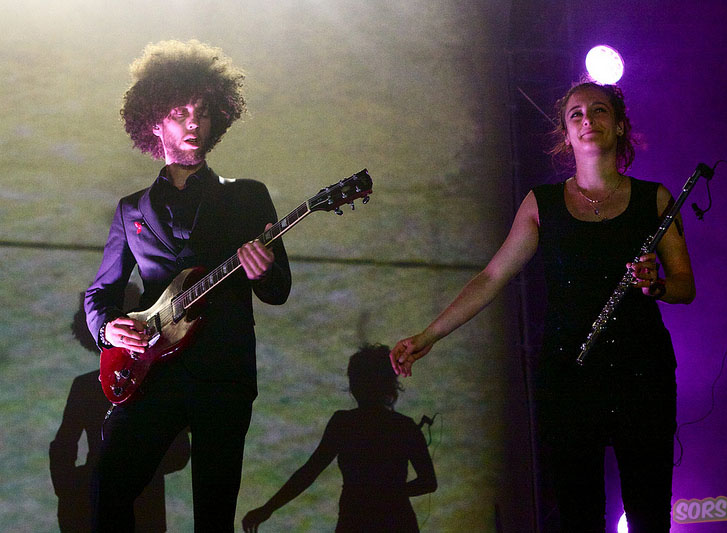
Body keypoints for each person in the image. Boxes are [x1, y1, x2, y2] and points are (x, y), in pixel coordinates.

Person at [390, 81, 695, 532]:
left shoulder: (657, 198)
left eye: (599, 110)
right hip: (569, 377)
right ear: (566, 135)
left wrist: (657, 287)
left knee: (649, 515)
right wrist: (429, 335)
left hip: (642, 374)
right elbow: (492, 277)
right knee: (579, 517)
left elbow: (685, 286)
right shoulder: (542, 203)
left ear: (619, 125)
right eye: (576, 115)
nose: (588, 119)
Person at [84, 40, 291, 532]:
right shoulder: (130, 209)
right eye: (179, 113)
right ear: (155, 122)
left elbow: (278, 289)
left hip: (224, 374)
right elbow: (101, 295)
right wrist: (110, 330)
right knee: (108, 489)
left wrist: (262, 270)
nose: (193, 123)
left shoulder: (248, 197)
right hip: (152, 371)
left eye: (202, 112)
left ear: (218, 117)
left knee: (213, 517)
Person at [241, 344, 437, 532]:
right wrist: (391, 493)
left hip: (354, 523)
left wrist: (268, 509)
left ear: (354, 385)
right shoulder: (405, 427)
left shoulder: (343, 424)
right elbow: (428, 482)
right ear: (389, 384)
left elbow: (309, 472)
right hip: (398, 523)